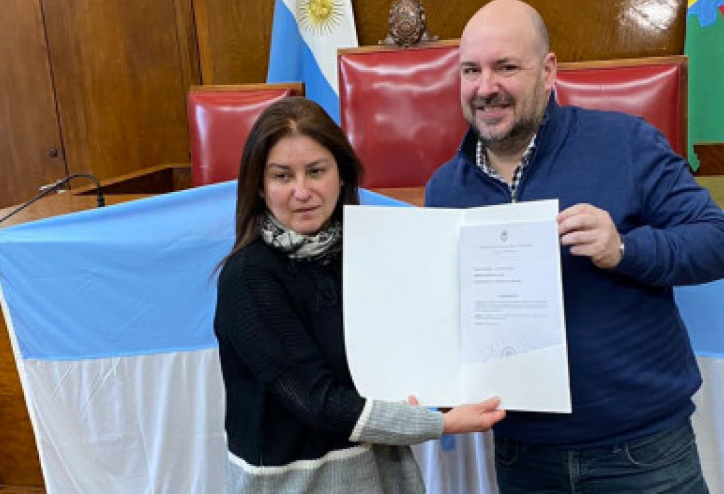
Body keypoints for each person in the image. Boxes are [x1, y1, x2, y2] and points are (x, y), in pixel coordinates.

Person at [424, 0, 724, 493]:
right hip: (522, 456)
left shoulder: (625, 143)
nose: (486, 87)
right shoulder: (445, 190)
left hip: (643, 453)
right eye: (471, 70)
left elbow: (720, 243)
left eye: (506, 67)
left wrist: (625, 250)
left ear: (549, 71)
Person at [214, 97, 506, 494]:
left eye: (316, 171)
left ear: (341, 175)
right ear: (260, 188)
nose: (302, 191)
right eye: (282, 176)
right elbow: (315, 401)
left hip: (380, 466)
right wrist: (441, 422)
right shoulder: (248, 277)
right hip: (297, 482)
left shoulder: (366, 254)